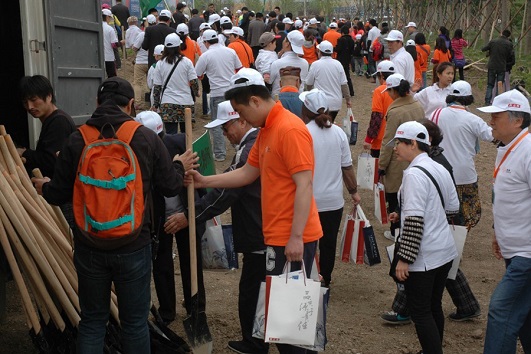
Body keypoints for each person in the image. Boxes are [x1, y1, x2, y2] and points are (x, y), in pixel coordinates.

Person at [31, 77, 195, 353]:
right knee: (134, 323)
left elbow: (57, 194)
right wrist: (178, 165)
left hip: (89, 245)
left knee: (93, 322)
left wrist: (43, 186)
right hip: (133, 244)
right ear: (130, 105)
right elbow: (170, 186)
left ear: (97, 103)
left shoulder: (77, 138)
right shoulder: (145, 137)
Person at [188, 68, 323, 354]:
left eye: (240, 111)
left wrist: (297, 237)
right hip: (275, 237)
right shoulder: (266, 131)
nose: (240, 118)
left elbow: (305, 184)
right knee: (279, 320)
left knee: (292, 325)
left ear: (255, 101)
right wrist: (205, 181)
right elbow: (248, 172)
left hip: (293, 239)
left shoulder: (289, 129)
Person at [166, 101, 268, 354]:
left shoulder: (250, 148)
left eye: (226, 127)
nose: (224, 134)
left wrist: (191, 214)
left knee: (252, 290)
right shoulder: (250, 144)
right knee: (256, 286)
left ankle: (255, 343)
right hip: (259, 224)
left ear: (241, 121)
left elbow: (228, 193)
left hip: (259, 227)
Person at [132, 110, 206, 330]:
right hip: (159, 215)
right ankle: (167, 311)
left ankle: (196, 308)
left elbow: (204, 178)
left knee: (191, 260)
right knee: (161, 261)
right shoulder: (138, 153)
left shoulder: (184, 143)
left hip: (185, 211)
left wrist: (192, 214)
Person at [390, 120, 459, 354]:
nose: (395, 147)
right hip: (445, 250)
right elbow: (453, 206)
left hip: (425, 256)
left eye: (399, 142)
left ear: (413, 144)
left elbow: (414, 221)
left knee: (420, 312)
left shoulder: (413, 176)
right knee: (433, 306)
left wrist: (404, 258)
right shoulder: (439, 166)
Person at [476, 89, 531, 354]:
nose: (491, 121)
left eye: (496, 116)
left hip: (527, 254)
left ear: (517, 120)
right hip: (515, 249)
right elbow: (508, 198)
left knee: (502, 310)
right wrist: (499, 232)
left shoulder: (529, 151)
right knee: (524, 316)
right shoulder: (509, 148)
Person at [299, 89, 360, 288]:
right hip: (333, 201)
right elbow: (347, 166)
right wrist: (353, 191)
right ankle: (326, 278)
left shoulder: (303, 133)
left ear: (305, 110)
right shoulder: (339, 133)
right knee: (328, 242)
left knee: (307, 242)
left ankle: (306, 277)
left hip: (308, 199)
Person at [378, 73, 424, 241]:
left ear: (394, 91)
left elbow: (388, 140)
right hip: (417, 155)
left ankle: (395, 229)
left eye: (389, 91)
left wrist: (382, 165)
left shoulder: (395, 112)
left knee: (394, 194)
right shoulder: (418, 105)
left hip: (398, 159)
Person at [195, 29, 243, 162]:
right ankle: (240, 147)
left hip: (217, 93)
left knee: (217, 123)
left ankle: (220, 153)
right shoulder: (230, 51)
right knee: (236, 120)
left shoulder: (206, 55)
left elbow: (198, 74)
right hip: (232, 92)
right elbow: (239, 69)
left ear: (205, 41)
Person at [17, 75, 76, 179]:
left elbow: (51, 161)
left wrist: (25, 153)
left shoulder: (59, 122)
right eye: (25, 102)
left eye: (34, 100)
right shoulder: (52, 120)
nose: (30, 106)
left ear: (49, 96)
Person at [152, 33, 198, 134]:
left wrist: (156, 104)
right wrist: (195, 93)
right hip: (186, 102)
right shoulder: (187, 62)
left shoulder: (160, 64)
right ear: (179, 46)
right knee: (186, 135)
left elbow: (157, 87)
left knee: (170, 135)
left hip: (168, 103)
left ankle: (173, 150)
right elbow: (194, 82)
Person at [305, 40, 351, 123]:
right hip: (335, 103)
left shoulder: (316, 64)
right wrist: (348, 99)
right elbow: (344, 84)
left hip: (320, 103)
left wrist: (307, 95)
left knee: (321, 124)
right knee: (330, 123)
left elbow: (308, 83)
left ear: (319, 52)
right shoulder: (338, 64)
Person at [363, 61, 395, 158]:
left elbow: (377, 117)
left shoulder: (380, 90)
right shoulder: (400, 89)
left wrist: (369, 139)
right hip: (396, 137)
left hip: (381, 139)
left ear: (381, 75)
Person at [269, 30, 309, 95]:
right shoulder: (305, 63)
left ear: (287, 44)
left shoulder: (277, 63)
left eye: (285, 39)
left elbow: (270, 81)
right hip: (298, 98)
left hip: (278, 99)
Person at [481, 29, 514, 106]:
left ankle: (487, 101)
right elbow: (510, 56)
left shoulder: (493, 41)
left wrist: (490, 52)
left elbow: (483, 49)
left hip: (492, 65)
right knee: (499, 84)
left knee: (490, 84)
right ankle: (496, 101)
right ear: (508, 36)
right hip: (502, 67)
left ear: (501, 33)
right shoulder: (509, 44)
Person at [132, 16, 153, 111]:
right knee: (153, 83)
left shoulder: (142, 35)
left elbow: (135, 47)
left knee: (137, 83)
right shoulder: (156, 33)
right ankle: (152, 102)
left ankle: (138, 103)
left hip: (140, 61)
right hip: (152, 61)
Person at [335, 25, 355, 97]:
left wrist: (334, 48)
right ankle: (351, 91)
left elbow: (338, 49)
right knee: (347, 76)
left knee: (340, 76)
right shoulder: (351, 40)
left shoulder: (341, 40)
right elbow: (352, 51)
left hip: (341, 59)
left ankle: (343, 92)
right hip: (348, 59)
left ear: (342, 32)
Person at [102, 8, 122, 78]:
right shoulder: (109, 29)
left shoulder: (97, 27)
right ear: (107, 17)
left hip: (98, 58)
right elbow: (114, 44)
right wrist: (121, 43)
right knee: (112, 77)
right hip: (108, 57)